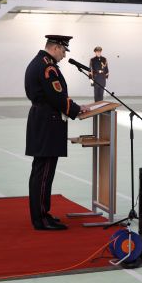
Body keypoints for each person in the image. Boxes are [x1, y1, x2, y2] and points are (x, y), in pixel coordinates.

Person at [25, 35, 91, 230]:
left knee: (41, 171)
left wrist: (74, 107)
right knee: (44, 172)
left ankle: (42, 214)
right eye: (63, 51)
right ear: (54, 48)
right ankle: (41, 218)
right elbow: (57, 96)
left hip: (42, 120)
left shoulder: (39, 62)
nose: (64, 55)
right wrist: (77, 109)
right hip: (48, 122)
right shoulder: (47, 67)